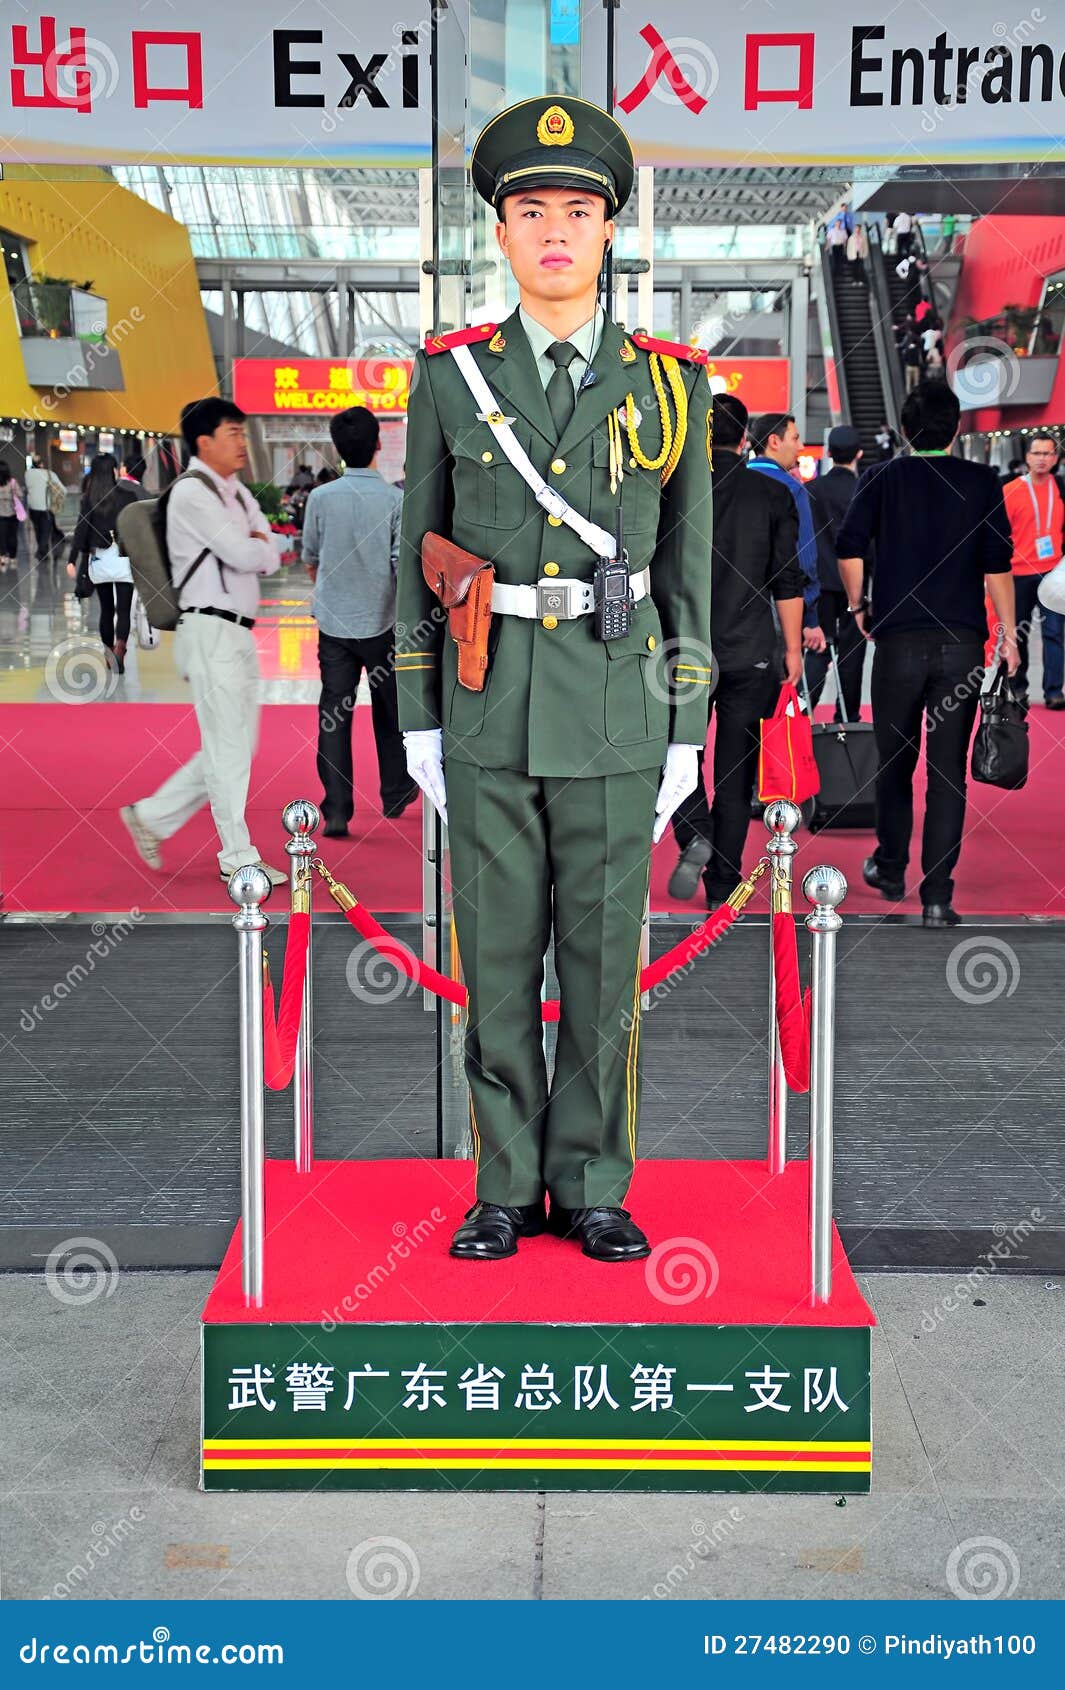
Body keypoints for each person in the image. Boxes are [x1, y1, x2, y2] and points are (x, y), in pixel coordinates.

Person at [395, 96, 714, 1264]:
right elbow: (413, 558)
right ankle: (501, 1182)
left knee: (600, 965)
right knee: (490, 965)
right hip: (487, 708)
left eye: (578, 210)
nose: (556, 231)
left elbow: (689, 574)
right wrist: (418, 714)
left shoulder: (672, 385)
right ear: (501, 231)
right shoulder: (448, 379)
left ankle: (592, 1181)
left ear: (611, 229)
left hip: (621, 714)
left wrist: (687, 723)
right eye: (531, 211)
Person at [835, 380, 1019, 927]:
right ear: (956, 427)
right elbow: (997, 565)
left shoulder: (881, 478)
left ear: (907, 430)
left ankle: (890, 867)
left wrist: (857, 605)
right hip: (961, 647)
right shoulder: (983, 481)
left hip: (897, 643)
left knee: (894, 762)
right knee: (947, 774)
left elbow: (848, 547)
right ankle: (937, 896)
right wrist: (1007, 634)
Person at [119, 398, 286, 886]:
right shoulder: (194, 494)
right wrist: (258, 543)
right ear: (203, 442)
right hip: (209, 629)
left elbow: (269, 554)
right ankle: (237, 856)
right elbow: (244, 550)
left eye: (241, 432)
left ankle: (151, 817)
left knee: (235, 746)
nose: (241, 442)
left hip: (233, 631)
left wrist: (259, 544)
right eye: (232, 433)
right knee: (229, 748)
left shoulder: (231, 489)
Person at [668, 393, 805, 904]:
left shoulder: (675, 493)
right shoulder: (771, 494)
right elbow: (788, 581)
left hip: (682, 651)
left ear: (699, 436)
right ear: (746, 437)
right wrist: (792, 649)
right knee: (735, 769)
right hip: (752, 651)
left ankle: (694, 832)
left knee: (675, 754)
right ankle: (723, 881)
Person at [302, 404, 416, 837]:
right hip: (383, 623)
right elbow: (397, 566)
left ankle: (335, 808)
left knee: (335, 712)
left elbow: (310, 557)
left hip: (332, 625)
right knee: (390, 709)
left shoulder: (320, 498)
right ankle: (396, 789)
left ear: (337, 449)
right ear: (378, 445)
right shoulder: (394, 500)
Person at [746, 413, 825, 656]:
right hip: (778, 607)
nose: (801, 446)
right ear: (774, 442)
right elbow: (804, 559)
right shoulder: (791, 489)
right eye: (796, 438)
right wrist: (810, 616)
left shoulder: (731, 482)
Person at [804, 426, 867, 721]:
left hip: (821, 585)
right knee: (853, 655)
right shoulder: (865, 490)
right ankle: (847, 717)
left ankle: (804, 710)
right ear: (859, 454)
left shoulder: (811, 490)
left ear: (828, 453)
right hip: (856, 587)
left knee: (818, 650)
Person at [1002, 431, 1065, 709]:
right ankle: (1018, 689)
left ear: (1055, 458)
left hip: (1053, 574)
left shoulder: (1061, 488)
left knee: (1054, 633)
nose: (1042, 459)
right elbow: (998, 533)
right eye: (1036, 453)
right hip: (1018, 573)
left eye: (1047, 453)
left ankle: (1053, 691)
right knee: (1018, 634)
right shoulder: (1010, 490)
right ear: (1027, 457)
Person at [66, 453, 139, 674]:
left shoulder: (89, 500)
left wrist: (72, 559)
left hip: (100, 559)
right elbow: (138, 528)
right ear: (114, 471)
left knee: (106, 610)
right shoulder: (128, 496)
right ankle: (120, 647)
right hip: (124, 557)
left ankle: (108, 654)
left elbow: (81, 530)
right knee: (123, 609)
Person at [24, 454, 65, 563]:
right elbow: (63, 490)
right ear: (42, 464)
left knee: (38, 530)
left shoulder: (27, 474)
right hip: (46, 508)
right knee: (45, 531)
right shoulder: (49, 474)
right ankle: (41, 552)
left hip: (32, 508)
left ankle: (43, 553)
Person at [0, 461, 24, 573]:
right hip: (13, 514)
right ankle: (13, 558)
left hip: (0, 515)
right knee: (12, 536)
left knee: (1, 537)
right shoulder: (13, 482)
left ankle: (3, 557)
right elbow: (20, 495)